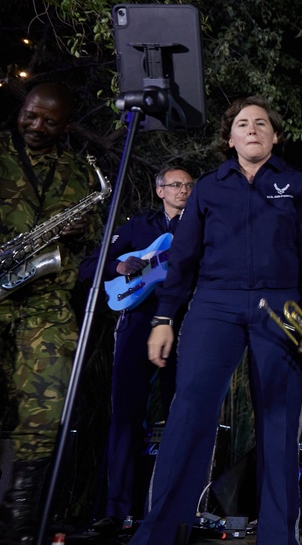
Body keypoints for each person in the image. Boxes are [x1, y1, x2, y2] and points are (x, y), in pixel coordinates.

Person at [127, 96, 302, 545]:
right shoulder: (208, 187)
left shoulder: (299, 184)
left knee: (279, 423)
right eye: (243, 123)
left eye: (262, 123)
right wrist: (164, 316)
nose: (253, 129)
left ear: (275, 136)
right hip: (213, 305)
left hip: (281, 306)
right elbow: (182, 259)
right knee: (189, 414)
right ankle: (160, 533)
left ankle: (280, 537)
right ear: (230, 138)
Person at [0, 82, 104, 542]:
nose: (36, 126)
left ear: (65, 126)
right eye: (30, 115)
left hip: (45, 300)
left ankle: (20, 521)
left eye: (49, 121)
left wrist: (83, 227)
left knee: (45, 409)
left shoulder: (78, 171)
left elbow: (94, 232)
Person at [77, 165, 194, 532]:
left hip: (185, 323)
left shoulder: (202, 226)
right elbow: (88, 267)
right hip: (138, 321)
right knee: (126, 415)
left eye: (189, 185)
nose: (183, 191)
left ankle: (174, 509)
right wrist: (118, 263)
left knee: (184, 416)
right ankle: (115, 510)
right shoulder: (138, 226)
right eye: (176, 185)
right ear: (160, 190)